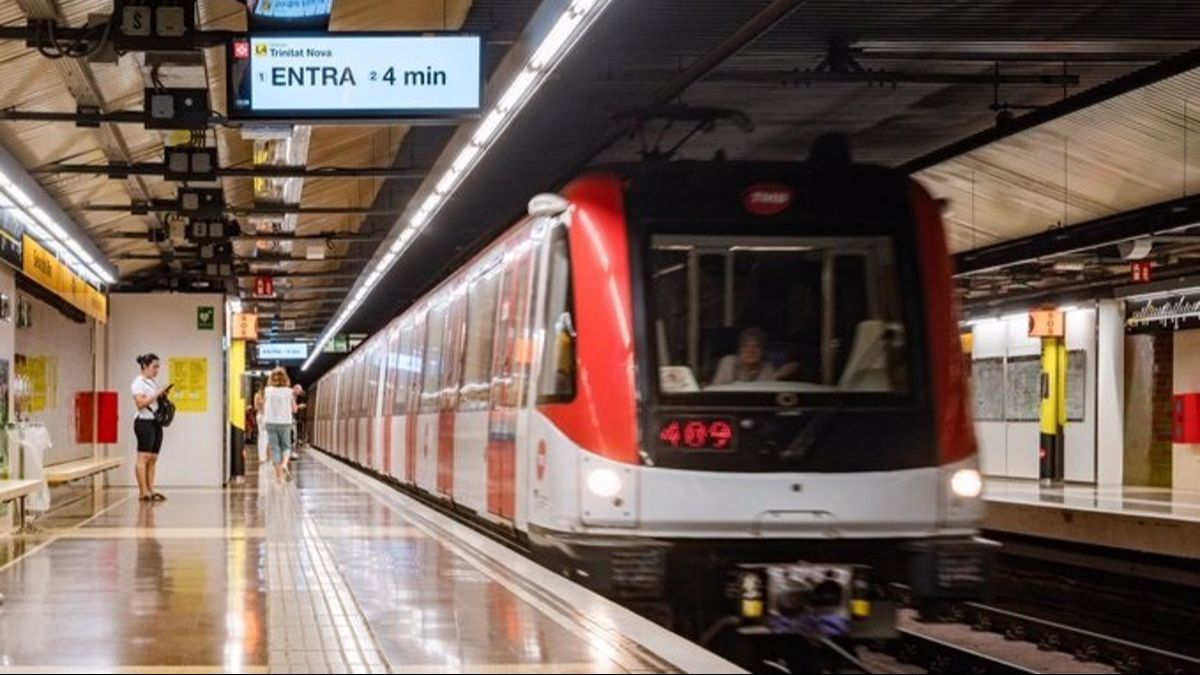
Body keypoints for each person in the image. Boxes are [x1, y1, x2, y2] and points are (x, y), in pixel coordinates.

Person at [131, 353, 172, 502]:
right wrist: (158, 392)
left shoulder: (152, 382)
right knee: (143, 457)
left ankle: (150, 489)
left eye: (158, 367)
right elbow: (141, 403)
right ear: (145, 366)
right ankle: (143, 491)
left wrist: (163, 394)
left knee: (153, 458)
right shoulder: (138, 383)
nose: (157, 370)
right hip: (144, 422)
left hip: (155, 422)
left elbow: (154, 400)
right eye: (154, 367)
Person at [710, 327, 797, 385]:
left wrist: (777, 375)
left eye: (756, 347)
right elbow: (723, 391)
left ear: (762, 352)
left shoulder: (767, 366)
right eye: (746, 346)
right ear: (739, 350)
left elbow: (763, 395)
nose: (750, 351)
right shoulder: (729, 361)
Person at [262, 367, 297, 485]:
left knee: (275, 448)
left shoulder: (267, 390)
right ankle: (284, 464)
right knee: (286, 446)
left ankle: (278, 477)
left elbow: (264, 406)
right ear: (285, 379)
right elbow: (294, 409)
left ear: (272, 379)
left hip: (270, 422)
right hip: (285, 422)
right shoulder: (289, 391)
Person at [253, 385, 268, 464]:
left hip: (258, 416)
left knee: (261, 436)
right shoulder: (265, 397)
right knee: (264, 436)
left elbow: (255, 407)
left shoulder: (256, 396)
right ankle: (263, 457)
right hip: (264, 416)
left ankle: (262, 456)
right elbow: (264, 407)